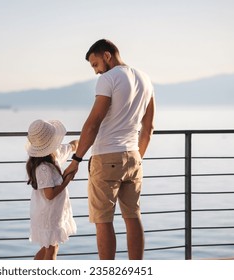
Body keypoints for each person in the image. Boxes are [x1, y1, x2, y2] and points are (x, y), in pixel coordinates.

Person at [63, 39, 155, 260]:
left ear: (107, 55)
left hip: (106, 157)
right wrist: (137, 158)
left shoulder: (108, 79)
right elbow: (149, 127)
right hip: (134, 156)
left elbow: (94, 122)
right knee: (133, 217)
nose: (96, 72)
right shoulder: (145, 78)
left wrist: (76, 159)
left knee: (103, 220)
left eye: (95, 64)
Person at [25, 119, 78, 260]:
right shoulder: (43, 167)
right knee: (52, 249)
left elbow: (73, 145)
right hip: (47, 215)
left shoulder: (55, 156)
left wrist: (79, 143)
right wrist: (66, 180)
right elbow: (49, 194)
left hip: (52, 212)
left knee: (48, 247)